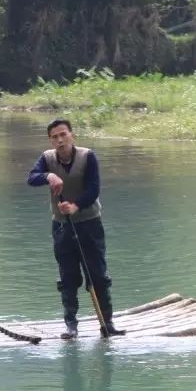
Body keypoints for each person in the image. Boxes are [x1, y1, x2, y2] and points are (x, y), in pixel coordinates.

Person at [26, 118, 124, 339]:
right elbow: (31, 178)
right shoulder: (46, 159)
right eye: (55, 137)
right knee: (68, 277)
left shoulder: (88, 156)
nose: (60, 140)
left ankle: (107, 324)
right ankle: (71, 326)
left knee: (97, 274)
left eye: (63, 135)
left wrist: (75, 206)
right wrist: (47, 176)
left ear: (72, 135)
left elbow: (93, 188)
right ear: (51, 141)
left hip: (90, 223)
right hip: (62, 227)